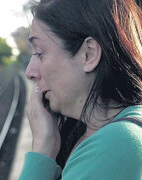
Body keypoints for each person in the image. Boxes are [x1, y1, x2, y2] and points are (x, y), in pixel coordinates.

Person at [19, 0, 142, 179]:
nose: (30, 72)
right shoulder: (91, 133)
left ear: (89, 54)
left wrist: (42, 151)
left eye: (39, 53)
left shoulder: (114, 147)